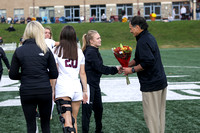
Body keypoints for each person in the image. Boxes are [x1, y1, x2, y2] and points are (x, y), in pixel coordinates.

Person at [9, 21, 58, 133]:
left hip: (27, 91)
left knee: (30, 126)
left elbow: (12, 75)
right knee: (46, 126)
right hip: (44, 90)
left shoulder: (19, 50)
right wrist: (42, 75)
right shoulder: (46, 49)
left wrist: (26, 75)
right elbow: (54, 73)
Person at [123, 16, 168, 133]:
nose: (130, 31)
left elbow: (148, 62)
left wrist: (131, 70)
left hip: (152, 84)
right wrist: (126, 64)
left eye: (131, 28)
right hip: (160, 81)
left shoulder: (142, 41)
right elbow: (139, 58)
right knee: (159, 115)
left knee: (152, 117)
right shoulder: (148, 37)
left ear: (137, 27)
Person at [81, 30, 122, 133]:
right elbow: (100, 68)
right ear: (91, 41)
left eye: (100, 37)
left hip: (95, 85)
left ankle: (98, 130)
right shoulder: (90, 52)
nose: (100, 40)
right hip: (89, 86)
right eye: (98, 38)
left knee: (98, 109)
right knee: (87, 112)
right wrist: (115, 69)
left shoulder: (94, 50)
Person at [53, 25, 88, 133]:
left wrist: (53, 90)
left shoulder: (56, 51)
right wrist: (85, 91)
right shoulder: (79, 51)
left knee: (67, 123)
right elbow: (82, 73)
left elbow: (55, 73)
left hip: (63, 87)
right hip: (76, 87)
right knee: (73, 121)